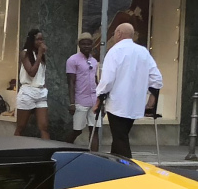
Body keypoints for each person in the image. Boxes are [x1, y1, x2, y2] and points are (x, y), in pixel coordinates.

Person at [95, 22, 163, 159]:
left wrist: (98, 98)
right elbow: (157, 78)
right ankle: (116, 164)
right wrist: (152, 98)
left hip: (117, 103)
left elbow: (107, 80)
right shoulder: (143, 51)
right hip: (135, 103)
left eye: (114, 33)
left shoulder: (114, 51)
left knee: (120, 138)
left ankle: (129, 169)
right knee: (121, 135)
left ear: (119, 33)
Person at [14, 29, 51, 139]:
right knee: (21, 126)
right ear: (32, 40)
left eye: (42, 39)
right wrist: (39, 55)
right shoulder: (25, 53)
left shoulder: (40, 56)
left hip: (40, 92)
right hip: (27, 92)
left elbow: (40, 74)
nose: (41, 42)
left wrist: (43, 85)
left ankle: (47, 151)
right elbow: (31, 73)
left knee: (44, 126)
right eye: (38, 39)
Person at [66, 32, 100, 145]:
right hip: (80, 100)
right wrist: (72, 103)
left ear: (92, 45)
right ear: (79, 45)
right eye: (83, 44)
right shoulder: (72, 60)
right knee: (77, 130)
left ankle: (95, 156)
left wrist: (101, 100)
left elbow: (96, 80)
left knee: (94, 130)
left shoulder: (94, 61)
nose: (86, 46)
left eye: (88, 44)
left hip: (94, 101)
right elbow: (71, 82)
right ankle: (64, 147)